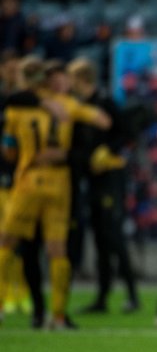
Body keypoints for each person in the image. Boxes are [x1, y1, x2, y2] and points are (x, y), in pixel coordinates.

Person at [0, 55, 112, 329]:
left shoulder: (16, 110)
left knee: (6, 243)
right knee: (57, 250)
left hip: (27, 181)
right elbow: (103, 121)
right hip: (60, 183)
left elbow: (8, 150)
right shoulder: (67, 105)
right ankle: (59, 315)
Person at [68, 57, 139, 314]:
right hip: (94, 178)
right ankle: (102, 298)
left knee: (113, 236)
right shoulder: (81, 106)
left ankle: (132, 295)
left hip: (111, 178)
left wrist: (108, 150)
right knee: (99, 238)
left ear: (81, 79)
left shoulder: (105, 102)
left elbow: (127, 133)